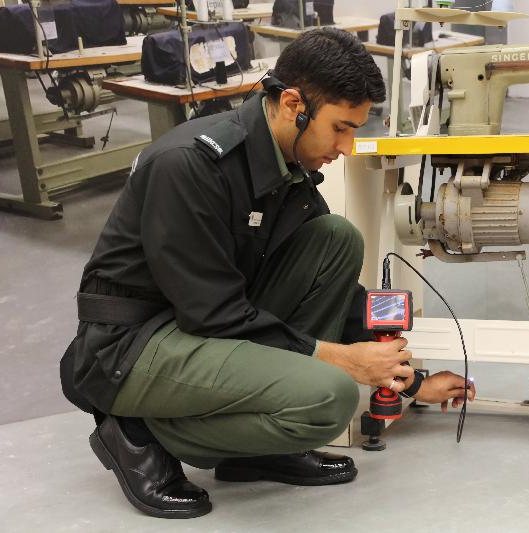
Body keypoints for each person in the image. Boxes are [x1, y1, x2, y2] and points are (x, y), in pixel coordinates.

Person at [60, 27, 475, 519]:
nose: (346, 147)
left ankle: (257, 452)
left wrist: (410, 381)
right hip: (128, 347)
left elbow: (334, 290)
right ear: (292, 104)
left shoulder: (287, 169)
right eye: (340, 127)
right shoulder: (190, 165)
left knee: (335, 240)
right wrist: (343, 361)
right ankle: (137, 430)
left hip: (195, 324)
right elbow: (213, 313)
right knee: (330, 396)